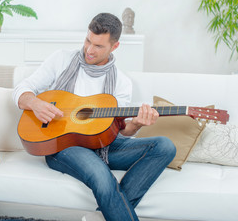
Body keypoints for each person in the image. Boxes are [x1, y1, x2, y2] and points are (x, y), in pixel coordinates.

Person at [13, 13, 176, 221]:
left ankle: (103, 216)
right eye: (88, 40)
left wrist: (135, 124)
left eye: (98, 46)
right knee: (102, 177)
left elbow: (120, 130)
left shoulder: (121, 82)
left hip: (104, 145)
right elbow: (22, 89)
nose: (89, 50)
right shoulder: (61, 59)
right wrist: (35, 103)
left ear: (114, 46)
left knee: (165, 146)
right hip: (62, 145)